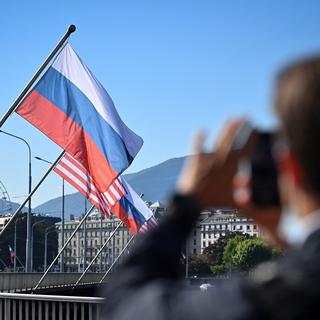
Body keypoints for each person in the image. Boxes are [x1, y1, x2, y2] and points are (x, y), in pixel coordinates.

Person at [101, 56, 320, 319]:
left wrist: (186, 206)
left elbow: (125, 306)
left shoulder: (278, 299)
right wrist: (284, 240)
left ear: (291, 168)